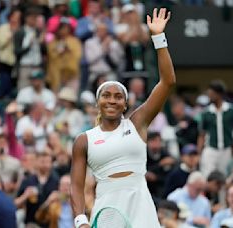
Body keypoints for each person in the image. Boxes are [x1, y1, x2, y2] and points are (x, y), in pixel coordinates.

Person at [70, 8, 175, 228]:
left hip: (141, 205)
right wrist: (81, 220)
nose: (112, 100)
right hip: (107, 208)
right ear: (98, 102)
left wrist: (158, 37)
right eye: (106, 95)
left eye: (118, 97)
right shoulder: (84, 140)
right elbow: (76, 186)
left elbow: (167, 82)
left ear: (125, 104)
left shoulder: (137, 123)